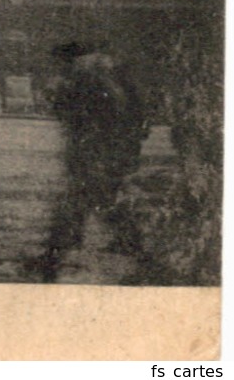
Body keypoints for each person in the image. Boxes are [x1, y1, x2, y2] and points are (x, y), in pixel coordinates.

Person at [28, 40, 150, 282]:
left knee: (82, 203)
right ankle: (129, 244)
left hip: (94, 154)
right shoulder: (108, 77)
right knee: (96, 202)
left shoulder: (88, 79)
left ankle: (55, 257)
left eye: (61, 63)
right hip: (106, 153)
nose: (59, 68)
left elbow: (77, 114)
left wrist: (59, 97)